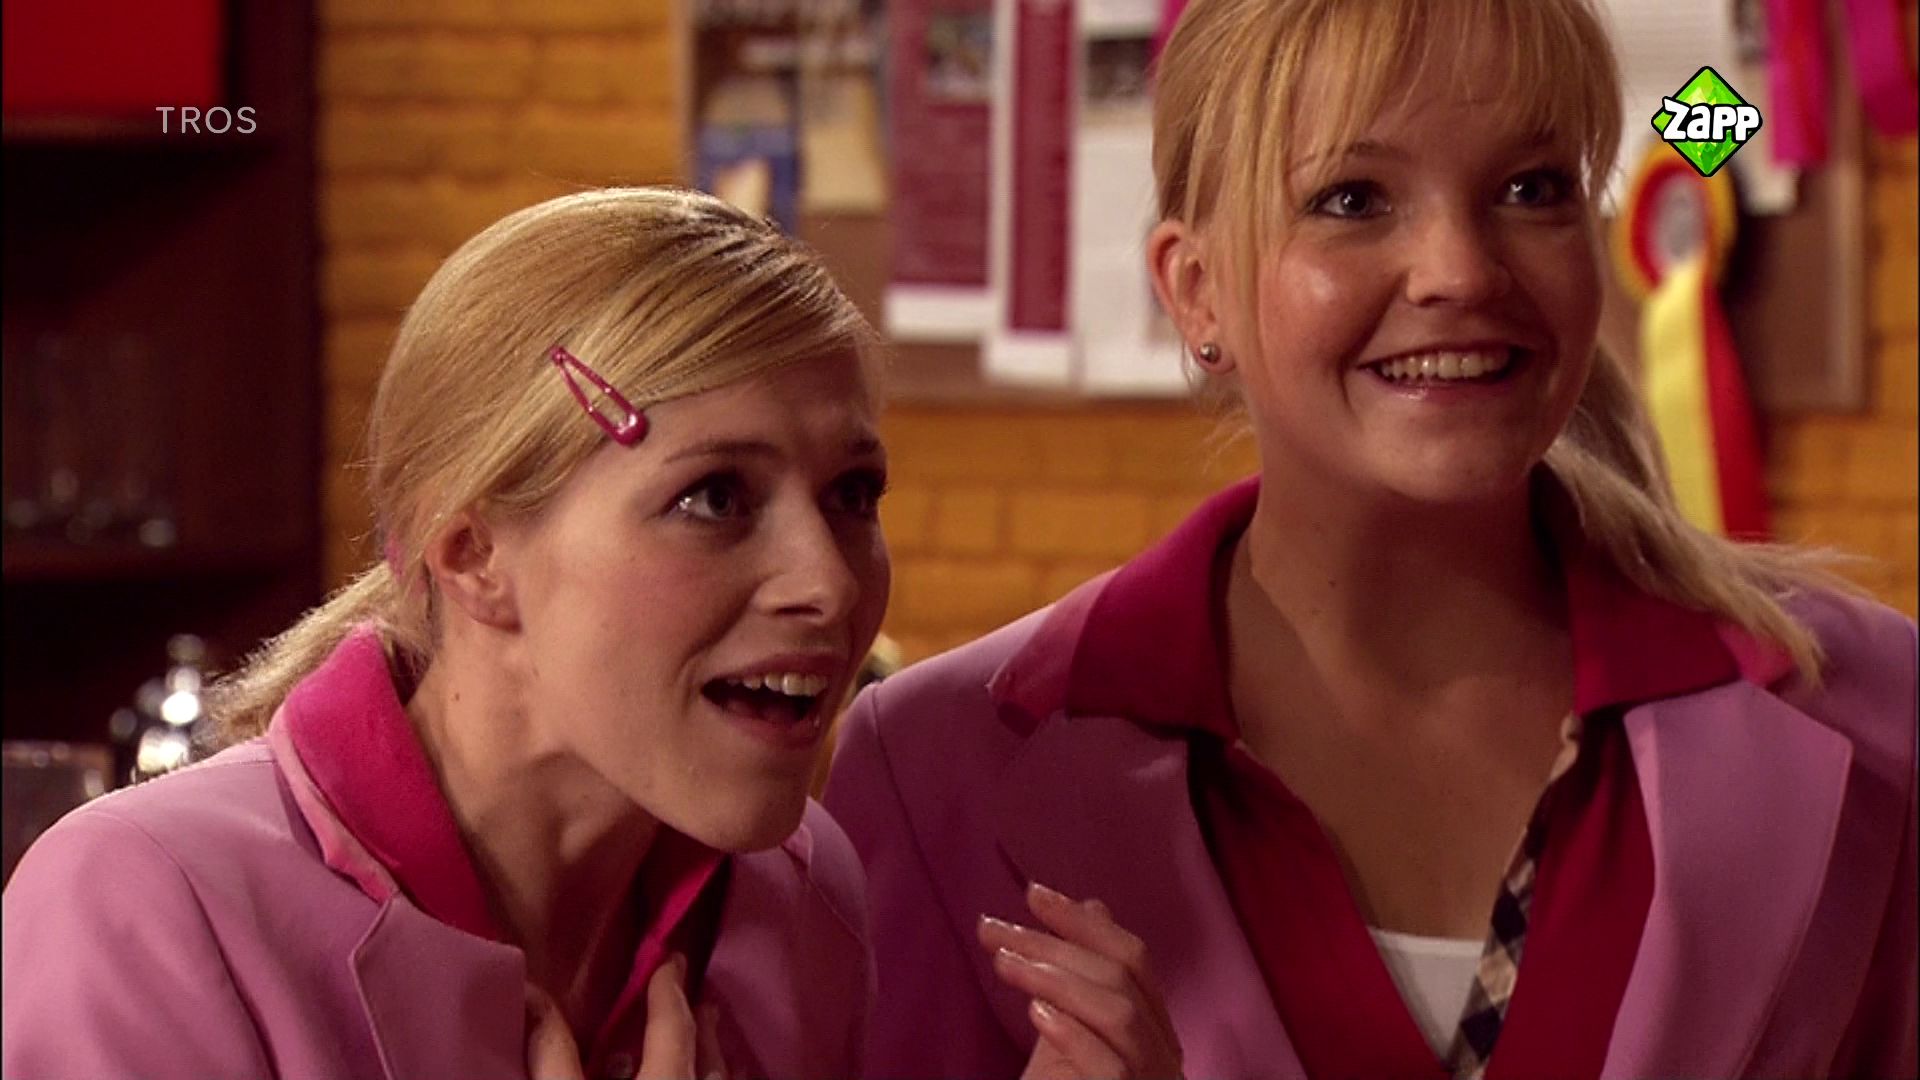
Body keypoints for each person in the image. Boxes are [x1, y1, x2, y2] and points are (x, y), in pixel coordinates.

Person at [823, 1, 1918, 1077]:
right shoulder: (934, 771)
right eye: (1351, 200)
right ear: (1196, 293)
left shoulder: (1875, 713)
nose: (1462, 271)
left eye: (1532, 189)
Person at [3, 186, 893, 1080]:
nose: (829, 583)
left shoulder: (802, 895)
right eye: (715, 498)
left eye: (852, 494)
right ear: (473, 554)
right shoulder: (145, 907)